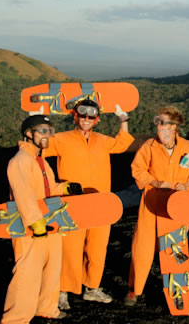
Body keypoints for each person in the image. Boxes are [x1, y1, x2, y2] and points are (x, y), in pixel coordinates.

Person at [43, 98, 134, 310]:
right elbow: (39, 147)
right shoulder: (60, 139)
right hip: (73, 204)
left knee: (97, 248)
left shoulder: (103, 140)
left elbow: (122, 144)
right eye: (82, 115)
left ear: (97, 119)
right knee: (70, 248)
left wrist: (123, 119)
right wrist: (39, 121)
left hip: (101, 204)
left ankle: (92, 288)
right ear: (75, 116)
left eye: (90, 116)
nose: (86, 119)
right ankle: (63, 291)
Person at [125, 106, 189, 306]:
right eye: (158, 122)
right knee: (142, 246)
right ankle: (134, 289)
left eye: (164, 123)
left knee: (175, 248)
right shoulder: (149, 146)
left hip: (180, 206)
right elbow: (137, 169)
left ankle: (175, 292)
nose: (159, 127)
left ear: (175, 127)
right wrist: (154, 182)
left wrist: (187, 184)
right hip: (152, 202)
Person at [2, 115, 72, 323]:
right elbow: (23, 193)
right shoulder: (20, 161)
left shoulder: (39, 161)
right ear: (28, 133)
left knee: (52, 269)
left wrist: (65, 188)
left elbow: (48, 189)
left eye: (50, 131)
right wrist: (35, 221)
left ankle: (47, 308)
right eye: (42, 130)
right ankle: (16, 318)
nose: (47, 135)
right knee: (26, 274)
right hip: (31, 227)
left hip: (50, 223)